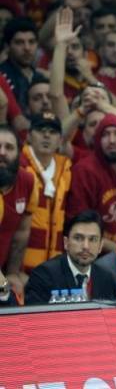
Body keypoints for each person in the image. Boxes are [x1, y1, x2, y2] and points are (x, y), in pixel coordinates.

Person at [66, 112, 116, 250]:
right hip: (93, 255)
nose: (112, 140)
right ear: (98, 139)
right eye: (105, 134)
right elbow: (79, 226)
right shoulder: (84, 171)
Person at [24, 210, 116, 304]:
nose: (86, 246)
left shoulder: (106, 278)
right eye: (78, 238)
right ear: (66, 243)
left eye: (93, 239)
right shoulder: (44, 276)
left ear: (100, 246)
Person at [20, 112, 72, 273]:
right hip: (19, 269)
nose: (47, 135)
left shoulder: (66, 170)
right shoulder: (19, 166)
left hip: (53, 270)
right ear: (29, 136)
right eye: (40, 130)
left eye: (53, 132)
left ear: (60, 140)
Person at [0, 124, 37, 297]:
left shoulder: (28, 181)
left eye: (9, 147)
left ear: (19, 154)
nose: (2, 152)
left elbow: (21, 234)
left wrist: (12, 273)